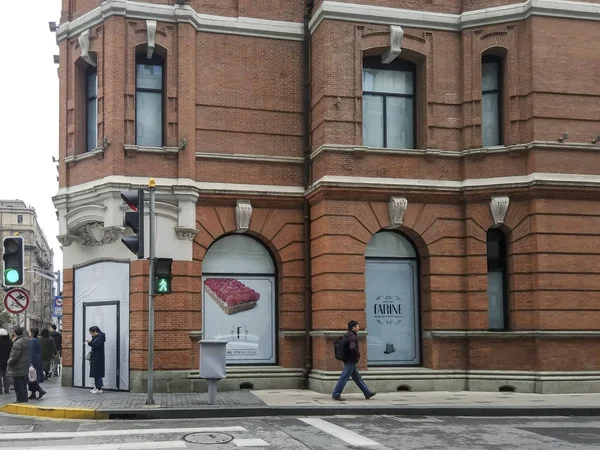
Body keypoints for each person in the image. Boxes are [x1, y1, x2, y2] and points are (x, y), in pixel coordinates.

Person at [332, 320, 376, 401]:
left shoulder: (346, 335)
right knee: (344, 377)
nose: (358, 328)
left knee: (357, 377)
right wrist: (357, 354)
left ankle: (367, 393)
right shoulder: (353, 337)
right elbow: (352, 347)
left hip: (346, 358)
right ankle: (336, 394)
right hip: (351, 360)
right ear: (353, 327)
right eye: (357, 326)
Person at [6, 326, 31, 403]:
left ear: (15, 333)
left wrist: (9, 362)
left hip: (18, 366)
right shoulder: (26, 340)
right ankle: (24, 398)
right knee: (23, 383)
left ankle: (20, 399)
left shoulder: (18, 343)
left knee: (18, 384)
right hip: (24, 365)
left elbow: (14, 356)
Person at [28, 327, 46, 400]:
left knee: (32, 376)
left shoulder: (32, 341)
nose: (29, 333)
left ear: (32, 333)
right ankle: (33, 393)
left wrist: (31, 362)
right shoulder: (38, 340)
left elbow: (32, 352)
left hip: (34, 360)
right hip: (38, 359)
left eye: (30, 332)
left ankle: (40, 390)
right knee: (34, 376)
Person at [87, 326, 105, 393]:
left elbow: (96, 345)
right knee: (95, 373)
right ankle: (97, 386)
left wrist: (89, 342)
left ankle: (99, 388)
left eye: (91, 333)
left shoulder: (100, 338)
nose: (91, 334)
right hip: (95, 357)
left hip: (98, 358)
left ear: (95, 332)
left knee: (98, 373)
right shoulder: (96, 337)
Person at [0, 328, 13, 394]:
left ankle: (0, 391)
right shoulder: (10, 342)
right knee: (6, 376)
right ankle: (6, 390)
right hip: (7, 361)